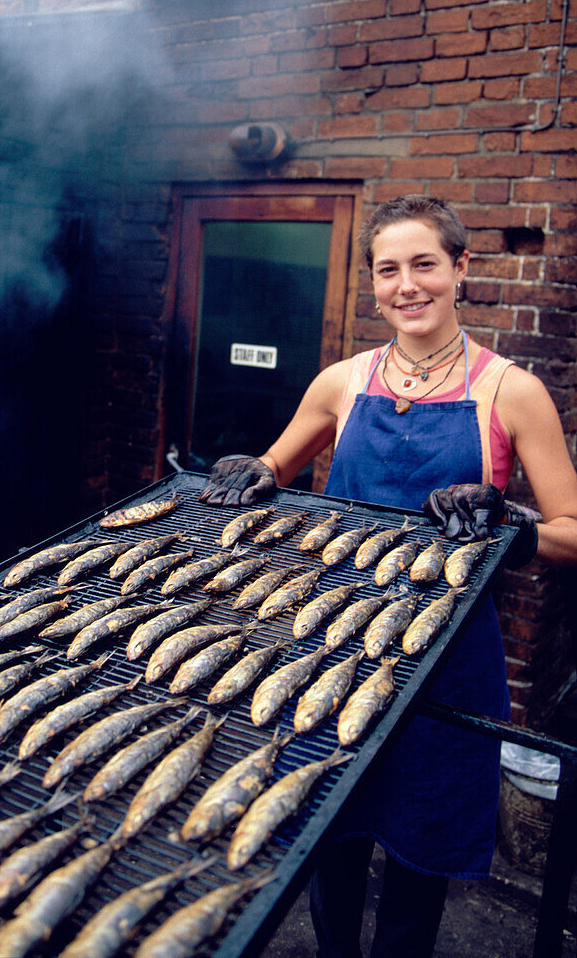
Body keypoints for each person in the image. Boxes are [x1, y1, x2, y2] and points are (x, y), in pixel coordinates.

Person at [199, 195, 577, 957]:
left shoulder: (510, 391)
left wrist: (510, 522)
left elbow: (573, 531)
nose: (408, 285)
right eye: (389, 269)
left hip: (448, 660)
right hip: (336, 640)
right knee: (328, 829)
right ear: (373, 281)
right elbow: (277, 463)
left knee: (419, 844)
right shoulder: (342, 382)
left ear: (462, 268)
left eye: (426, 265)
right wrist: (256, 467)